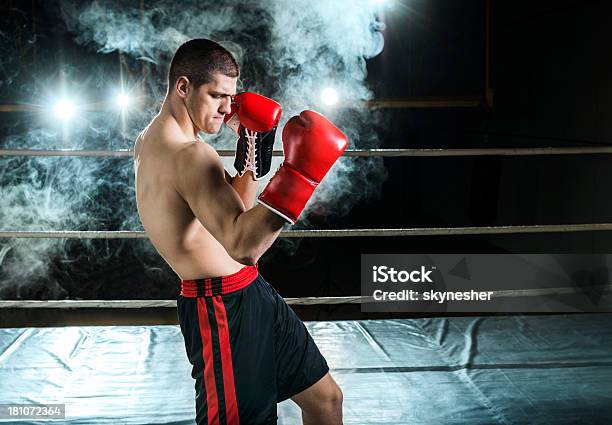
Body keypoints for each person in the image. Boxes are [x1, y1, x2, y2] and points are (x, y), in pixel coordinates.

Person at [133, 38, 347, 425]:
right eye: (215, 95)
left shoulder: (149, 141)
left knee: (326, 399)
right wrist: (299, 175)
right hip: (221, 310)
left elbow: (228, 212)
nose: (226, 109)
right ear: (183, 87)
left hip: (252, 293)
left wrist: (251, 154)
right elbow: (244, 245)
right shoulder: (191, 156)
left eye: (231, 98)